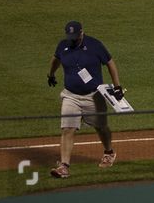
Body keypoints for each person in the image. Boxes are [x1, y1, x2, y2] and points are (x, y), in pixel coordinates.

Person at [45, 20, 123, 179]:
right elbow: (56, 59)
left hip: (93, 96)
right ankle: (64, 166)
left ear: (82, 32)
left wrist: (117, 86)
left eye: (75, 36)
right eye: (70, 36)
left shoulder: (95, 45)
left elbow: (110, 63)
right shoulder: (63, 45)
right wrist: (51, 74)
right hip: (70, 95)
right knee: (68, 129)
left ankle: (109, 152)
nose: (72, 39)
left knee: (101, 127)